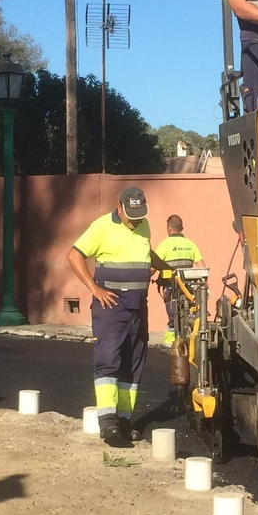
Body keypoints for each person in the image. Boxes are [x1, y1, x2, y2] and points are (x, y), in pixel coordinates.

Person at [66, 185, 171, 448]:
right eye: (131, 214)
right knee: (109, 360)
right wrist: (95, 288)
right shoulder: (102, 227)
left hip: (138, 307)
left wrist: (167, 269)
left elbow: (146, 254)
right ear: (119, 208)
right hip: (111, 307)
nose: (135, 219)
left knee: (133, 364)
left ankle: (125, 421)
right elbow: (74, 254)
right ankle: (109, 423)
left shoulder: (143, 226)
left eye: (139, 214)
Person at [156, 215, 204, 346]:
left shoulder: (165, 245)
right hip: (187, 288)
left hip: (171, 288)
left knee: (172, 314)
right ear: (181, 228)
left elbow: (153, 267)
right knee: (187, 313)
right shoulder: (191, 245)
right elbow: (202, 267)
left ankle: (171, 341)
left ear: (169, 229)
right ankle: (187, 340)